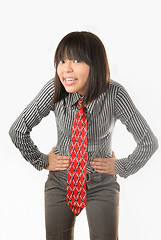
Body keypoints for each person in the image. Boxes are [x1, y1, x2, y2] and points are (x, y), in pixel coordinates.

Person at [9, 31, 158, 240]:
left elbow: (148, 142)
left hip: (102, 183)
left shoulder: (115, 94)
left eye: (76, 60)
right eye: (61, 60)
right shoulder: (54, 90)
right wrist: (42, 160)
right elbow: (17, 130)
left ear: (95, 64)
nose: (66, 69)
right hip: (61, 181)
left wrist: (121, 166)